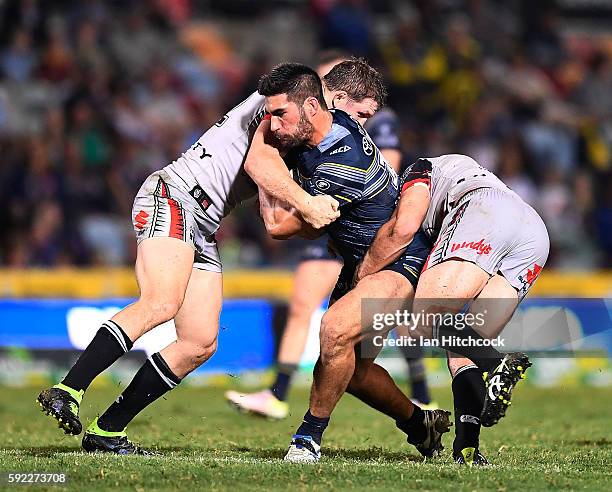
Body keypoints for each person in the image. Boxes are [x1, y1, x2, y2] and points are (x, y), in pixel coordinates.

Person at [36, 75, 343, 454]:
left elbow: (273, 220)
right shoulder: (277, 108)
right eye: (359, 113)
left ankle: (108, 429)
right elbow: (260, 163)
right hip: (174, 196)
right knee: (160, 302)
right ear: (330, 100)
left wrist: (324, 218)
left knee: (199, 342)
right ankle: (69, 389)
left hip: (202, 224)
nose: (275, 121)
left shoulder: (297, 143)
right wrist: (310, 204)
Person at [248, 63, 452, 464]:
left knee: (333, 330)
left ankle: (307, 438)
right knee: (351, 370)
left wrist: (261, 145)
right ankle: (419, 424)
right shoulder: (331, 120)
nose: (275, 124)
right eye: (270, 115)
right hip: (360, 261)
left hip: (398, 259)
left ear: (312, 106)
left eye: (281, 115)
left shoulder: (341, 161)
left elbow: (280, 226)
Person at [356, 154, 550, 464]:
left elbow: (405, 227)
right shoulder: (462, 169)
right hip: (532, 231)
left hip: (484, 211)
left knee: (423, 318)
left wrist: (364, 276)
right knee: (463, 347)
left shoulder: (415, 171)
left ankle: (495, 362)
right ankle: (468, 449)